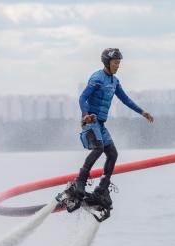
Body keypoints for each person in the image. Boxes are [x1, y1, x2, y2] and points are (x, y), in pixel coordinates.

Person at [66, 48, 154, 211]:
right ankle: (80, 181)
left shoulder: (115, 82)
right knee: (99, 148)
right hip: (91, 121)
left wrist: (142, 112)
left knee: (112, 154)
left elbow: (126, 100)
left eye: (119, 63)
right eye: (115, 63)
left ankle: (102, 189)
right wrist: (85, 115)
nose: (117, 66)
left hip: (101, 124)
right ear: (107, 63)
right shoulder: (97, 78)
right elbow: (82, 97)